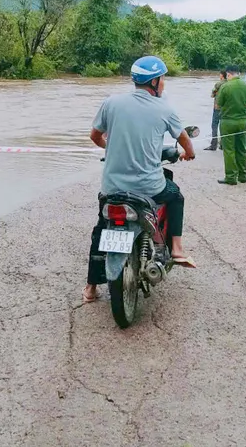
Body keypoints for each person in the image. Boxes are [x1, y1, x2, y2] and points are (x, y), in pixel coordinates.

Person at [82, 56, 197, 304]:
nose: (163, 83)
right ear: (154, 82)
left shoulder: (111, 103)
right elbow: (184, 139)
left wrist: (112, 148)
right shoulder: (164, 109)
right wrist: (189, 153)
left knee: (101, 228)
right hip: (149, 188)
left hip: (112, 187)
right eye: (162, 79)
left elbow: (95, 136)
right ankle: (177, 249)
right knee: (176, 196)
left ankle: (91, 288)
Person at [215, 65, 246, 186]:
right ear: (239, 73)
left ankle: (231, 177)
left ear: (228, 74)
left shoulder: (225, 87)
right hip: (243, 121)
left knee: (229, 150)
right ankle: (243, 176)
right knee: (242, 148)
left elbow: (218, 105)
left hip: (227, 121)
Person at [205, 70, 228, 151]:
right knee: (223, 126)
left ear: (222, 75)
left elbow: (212, 94)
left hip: (217, 107)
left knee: (214, 125)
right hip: (226, 108)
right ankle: (222, 145)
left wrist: (215, 93)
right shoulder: (229, 84)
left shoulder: (219, 84)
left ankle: (213, 145)